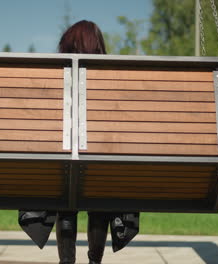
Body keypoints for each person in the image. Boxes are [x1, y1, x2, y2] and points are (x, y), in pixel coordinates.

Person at [18, 20, 139, 264]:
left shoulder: (53, 79)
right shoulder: (113, 81)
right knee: (100, 186)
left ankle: (67, 262)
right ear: (99, 47)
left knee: (65, 187)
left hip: (60, 173)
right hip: (101, 172)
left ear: (67, 46)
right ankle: (95, 261)